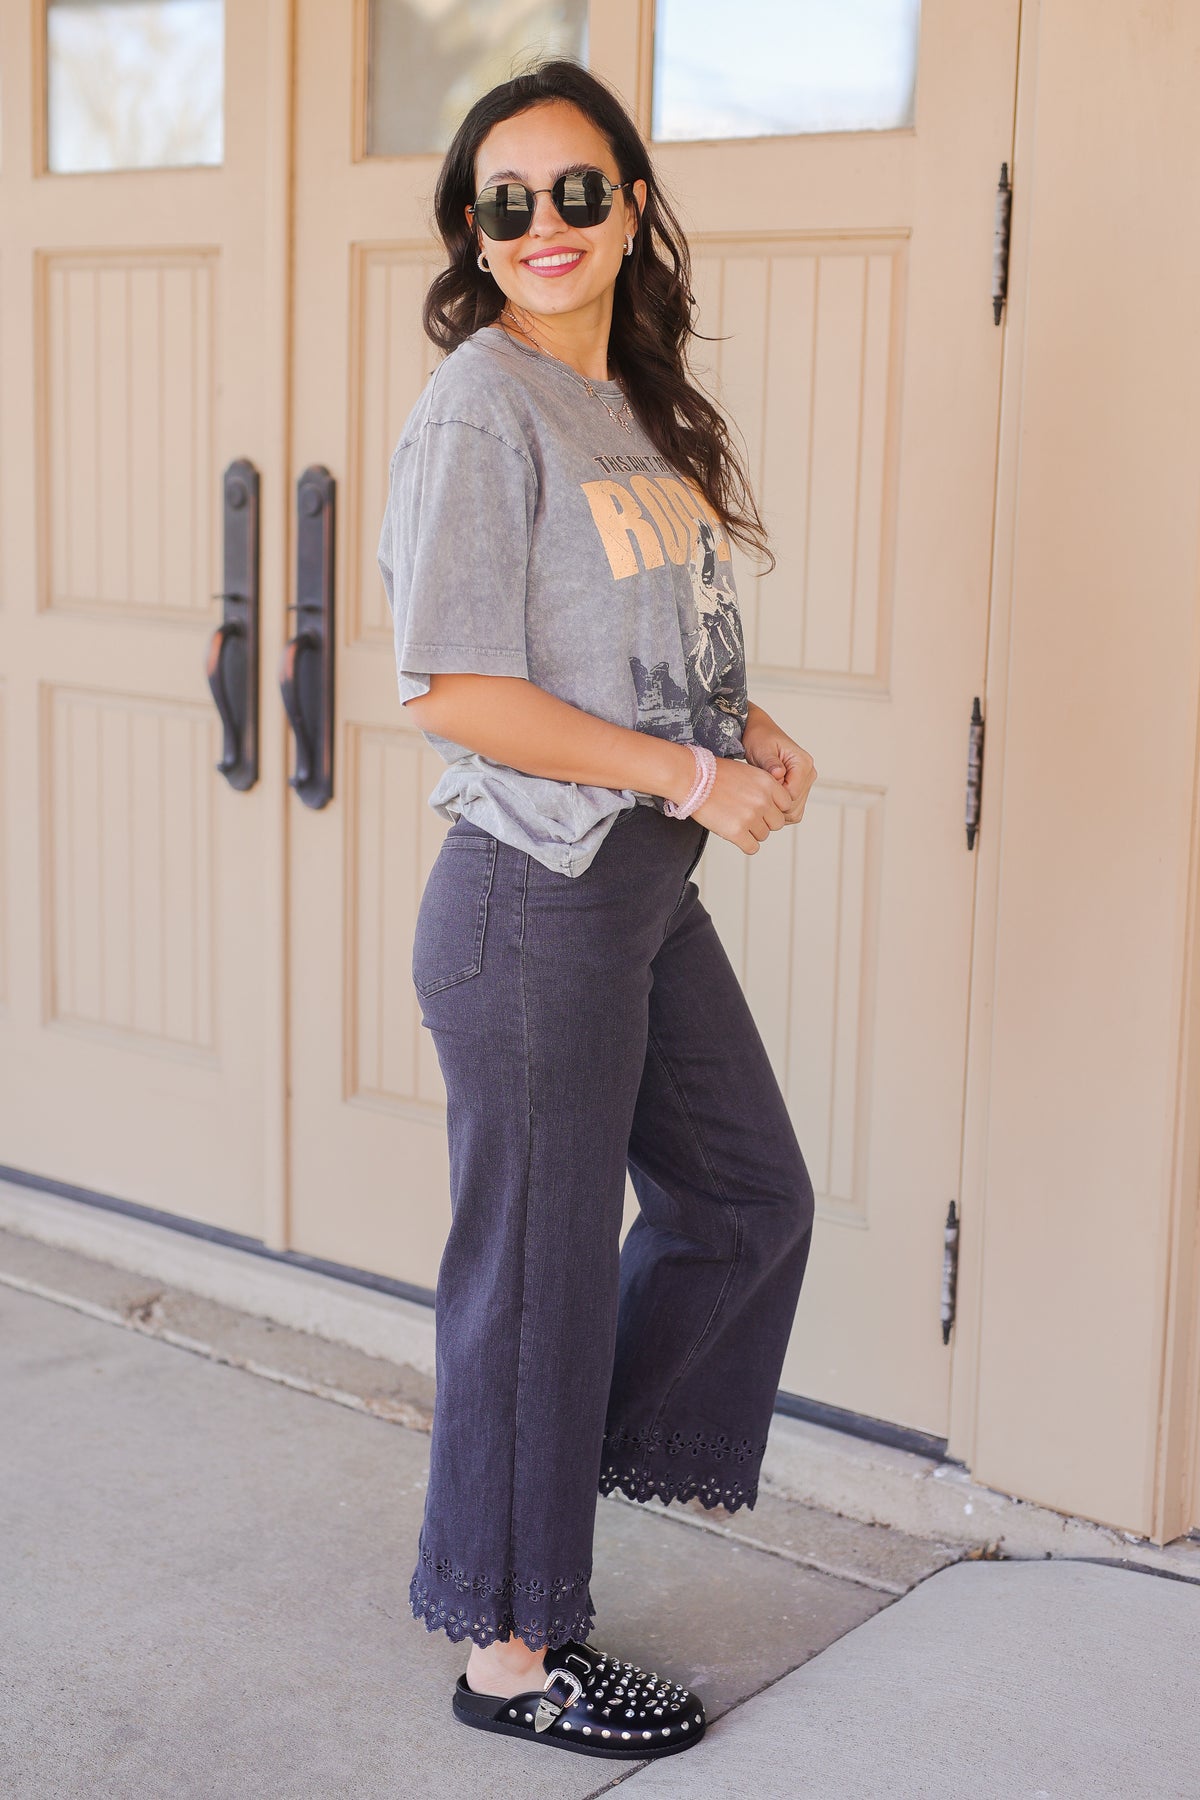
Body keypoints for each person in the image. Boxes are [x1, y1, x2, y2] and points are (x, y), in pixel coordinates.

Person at [376, 58, 818, 1762]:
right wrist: (691, 777)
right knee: (535, 1283)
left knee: (746, 1198)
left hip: (636, 885)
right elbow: (458, 689)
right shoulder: (480, 406)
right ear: (474, 234)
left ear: (632, 206)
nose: (546, 224)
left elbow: (634, 641)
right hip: (531, 900)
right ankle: (512, 1653)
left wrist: (738, 727)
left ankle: (523, 1478)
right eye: (509, 201)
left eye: (578, 191)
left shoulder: (623, 398)